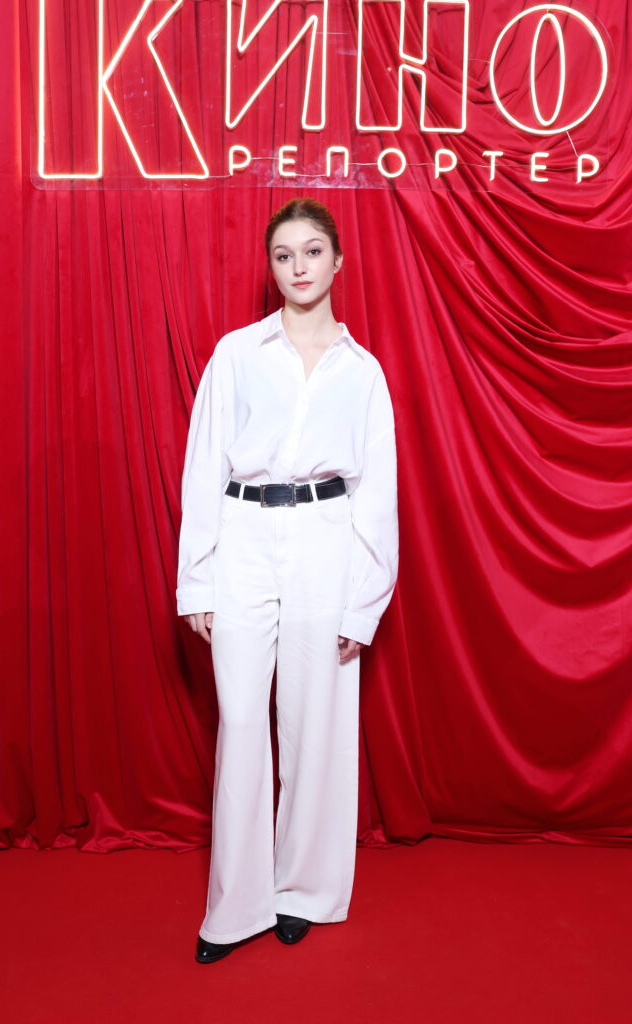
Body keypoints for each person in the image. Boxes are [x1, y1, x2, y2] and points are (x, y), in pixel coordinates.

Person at [176, 197, 398, 964]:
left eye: (311, 251)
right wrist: (196, 580)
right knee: (242, 720)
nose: (298, 266)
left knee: (315, 722)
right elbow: (203, 465)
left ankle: (302, 891)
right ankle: (235, 906)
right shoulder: (237, 353)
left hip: (324, 541)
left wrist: (364, 603)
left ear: (337, 261)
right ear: (270, 268)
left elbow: (377, 492)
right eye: (282, 254)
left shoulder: (362, 371)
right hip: (242, 536)